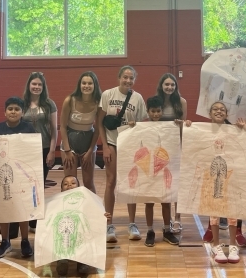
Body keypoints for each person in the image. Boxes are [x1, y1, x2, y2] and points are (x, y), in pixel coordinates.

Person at [184, 102, 246, 264]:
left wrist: (244, 129)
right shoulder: (202, 130)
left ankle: (233, 245)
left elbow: (245, 146)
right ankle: (216, 245)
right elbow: (194, 147)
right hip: (211, 177)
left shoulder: (234, 130)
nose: (219, 111)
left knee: (232, 210)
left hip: (230, 176)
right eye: (215, 109)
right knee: (214, 210)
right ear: (209, 113)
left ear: (227, 114)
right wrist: (188, 127)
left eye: (222, 110)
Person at [97, 65, 147, 243]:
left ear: (134, 80)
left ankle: (132, 223)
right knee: (111, 182)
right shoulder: (108, 95)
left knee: (130, 183)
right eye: (125, 77)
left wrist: (136, 125)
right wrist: (104, 145)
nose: (128, 80)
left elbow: (143, 123)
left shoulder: (138, 98)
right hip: (112, 143)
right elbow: (100, 121)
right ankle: (109, 224)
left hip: (130, 145)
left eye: (131, 78)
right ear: (119, 78)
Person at [0, 97, 37, 259]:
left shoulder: (29, 128)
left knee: (21, 208)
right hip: (2, 176)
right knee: (5, 209)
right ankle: (5, 241)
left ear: (22, 112)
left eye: (17, 109)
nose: (13, 112)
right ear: (4, 111)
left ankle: (25, 240)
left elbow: (33, 151)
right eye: (10, 109)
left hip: (20, 175)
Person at [21, 72, 57, 236]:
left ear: (43, 88)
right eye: (34, 84)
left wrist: (51, 151)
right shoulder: (21, 104)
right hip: (26, 151)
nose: (36, 87)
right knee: (25, 185)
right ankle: (23, 217)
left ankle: (34, 220)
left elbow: (54, 130)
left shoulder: (49, 104)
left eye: (39, 85)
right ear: (29, 85)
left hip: (43, 149)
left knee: (39, 186)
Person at [55, 175, 112, 276]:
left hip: (81, 238)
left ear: (79, 187)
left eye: (73, 183)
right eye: (65, 184)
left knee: (84, 229)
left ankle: (82, 261)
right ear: (61, 189)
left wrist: (102, 219)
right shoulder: (55, 204)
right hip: (64, 238)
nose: (69, 186)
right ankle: (62, 259)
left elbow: (94, 219)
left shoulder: (87, 202)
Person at [142, 96, 180, 247]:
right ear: (148, 112)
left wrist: (181, 125)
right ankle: (150, 231)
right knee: (149, 202)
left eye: (158, 111)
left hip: (163, 168)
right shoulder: (142, 127)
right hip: (149, 170)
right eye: (153, 111)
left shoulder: (169, 126)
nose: (156, 114)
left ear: (162, 111)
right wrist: (131, 126)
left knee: (166, 201)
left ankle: (166, 230)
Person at [59, 71, 101, 194]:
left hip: (88, 142)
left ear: (95, 86)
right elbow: (62, 126)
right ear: (79, 84)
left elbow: (98, 129)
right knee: (70, 183)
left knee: (88, 183)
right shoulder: (70, 100)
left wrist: (90, 151)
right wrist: (67, 150)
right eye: (84, 83)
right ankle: (68, 211)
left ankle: (92, 211)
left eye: (90, 83)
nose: (86, 86)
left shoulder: (98, 102)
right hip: (70, 142)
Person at [155, 73, 186, 234]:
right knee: (164, 183)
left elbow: (183, 128)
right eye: (166, 84)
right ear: (161, 86)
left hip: (176, 147)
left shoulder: (181, 102)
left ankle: (178, 218)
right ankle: (167, 219)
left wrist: (182, 124)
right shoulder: (156, 101)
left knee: (177, 184)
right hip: (160, 148)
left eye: (172, 85)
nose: (169, 87)